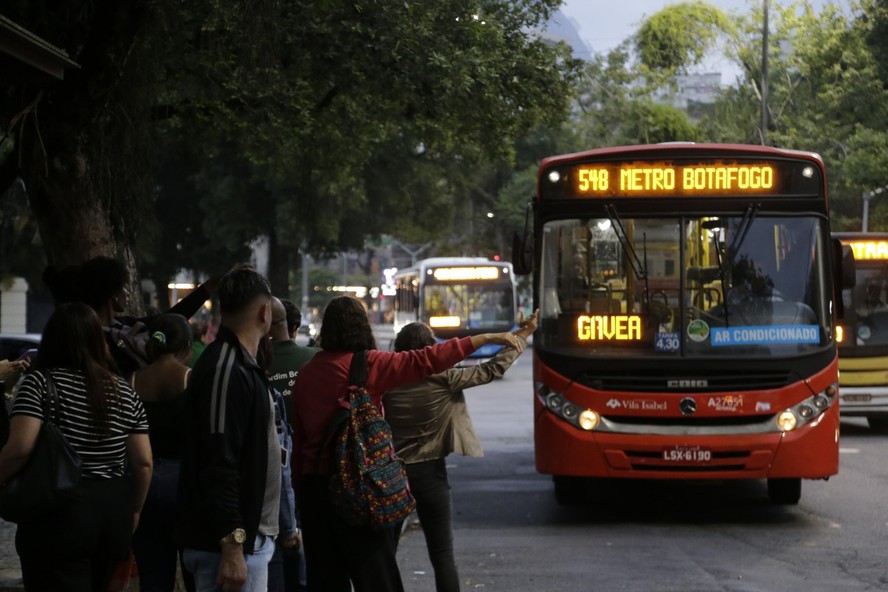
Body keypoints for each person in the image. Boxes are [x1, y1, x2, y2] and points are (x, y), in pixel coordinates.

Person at [292, 295, 524, 592]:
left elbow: (299, 439)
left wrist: (301, 496)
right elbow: (428, 359)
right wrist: (487, 338)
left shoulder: (307, 372)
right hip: (361, 487)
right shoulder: (369, 365)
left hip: (315, 492)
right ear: (363, 327)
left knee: (325, 579)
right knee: (376, 577)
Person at [0, 302, 152, 591]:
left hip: (59, 512)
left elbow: (19, 448)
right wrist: (135, 511)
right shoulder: (124, 391)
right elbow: (143, 462)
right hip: (113, 513)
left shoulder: (40, 384)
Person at [386, 309, 539, 592]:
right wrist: (524, 334)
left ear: (398, 348)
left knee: (386, 555)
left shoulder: (384, 381)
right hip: (431, 474)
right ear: (431, 349)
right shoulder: (444, 378)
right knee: (442, 553)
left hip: (391, 476)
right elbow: (492, 368)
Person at [177, 267, 280, 592]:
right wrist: (232, 544)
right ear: (265, 313)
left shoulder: (239, 364)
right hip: (227, 549)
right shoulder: (226, 368)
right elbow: (219, 461)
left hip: (244, 542)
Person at [42, 256, 221, 379]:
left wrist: (206, 289)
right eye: (123, 287)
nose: (127, 292)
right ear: (113, 296)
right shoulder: (96, 339)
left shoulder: (123, 326)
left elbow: (169, 318)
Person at [131, 313, 196, 592]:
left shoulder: (133, 380)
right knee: (194, 572)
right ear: (188, 347)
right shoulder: (190, 379)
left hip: (142, 485)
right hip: (186, 483)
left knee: (153, 576)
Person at [266, 297, 318, 591]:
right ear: (291, 325)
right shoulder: (314, 358)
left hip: (270, 476)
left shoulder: (255, 363)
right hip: (310, 471)